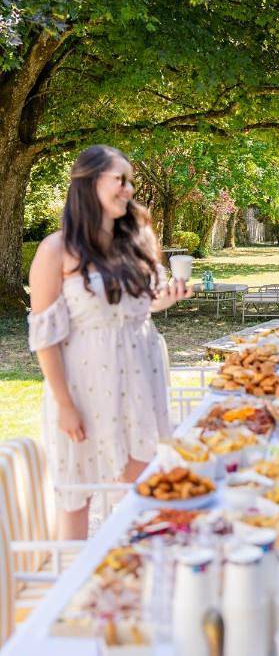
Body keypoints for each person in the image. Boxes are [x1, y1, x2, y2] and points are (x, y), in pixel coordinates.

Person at [28, 145, 191, 539]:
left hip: (137, 382)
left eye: (129, 180)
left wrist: (166, 298)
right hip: (84, 390)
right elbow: (45, 337)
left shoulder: (133, 242)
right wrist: (65, 405)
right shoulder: (56, 249)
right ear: (89, 182)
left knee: (139, 495)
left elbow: (139, 309)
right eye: (120, 179)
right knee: (78, 494)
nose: (129, 189)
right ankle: (77, 592)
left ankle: (133, 583)